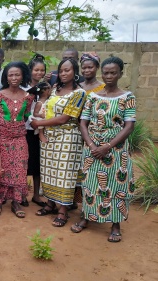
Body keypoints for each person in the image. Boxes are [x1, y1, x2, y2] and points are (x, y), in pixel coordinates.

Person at [70, 56, 136, 242]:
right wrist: (92, 145)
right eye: (106, 72)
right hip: (92, 149)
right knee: (90, 184)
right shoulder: (93, 96)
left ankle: (115, 224)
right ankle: (86, 217)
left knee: (116, 186)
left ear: (120, 74)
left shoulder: (127, 97)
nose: (109, 76)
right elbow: (83, 123)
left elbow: (129, 126)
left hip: (116, 151)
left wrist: (107, 147)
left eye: (113, 72)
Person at [31, 58, 88, 227]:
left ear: (75, 72)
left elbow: (64, 118)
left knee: (65, 175)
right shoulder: (55, 89)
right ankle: (50, 204)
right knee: (49, 172)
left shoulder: (79, 93)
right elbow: (47, 110)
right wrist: (41, 124)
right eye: (61, 70)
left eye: (67, 70)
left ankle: (63, 211)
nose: (63, 73)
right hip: (49, 138)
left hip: (68, 138)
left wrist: (39, 124)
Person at [0, 62, 34, 218]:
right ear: (6, 77)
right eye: (11, 75)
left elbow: (28, 116)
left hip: (20, 137)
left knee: (19, 168)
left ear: (22, 76)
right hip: (2, 137)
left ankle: (16, 202)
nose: (14, 78)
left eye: (17, 74)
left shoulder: (29, 97)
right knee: (2, 169)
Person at [25, 54, 48, 207]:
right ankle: (21, 194)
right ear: (30, 71)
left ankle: (36, 195)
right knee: (24, 162)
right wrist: (31, 122)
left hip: (39, 130)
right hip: (25, 129)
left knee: (37, 164)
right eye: (36, 70)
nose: (38, 73)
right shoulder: (24, 88)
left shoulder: (46, 88)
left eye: (41, 70)